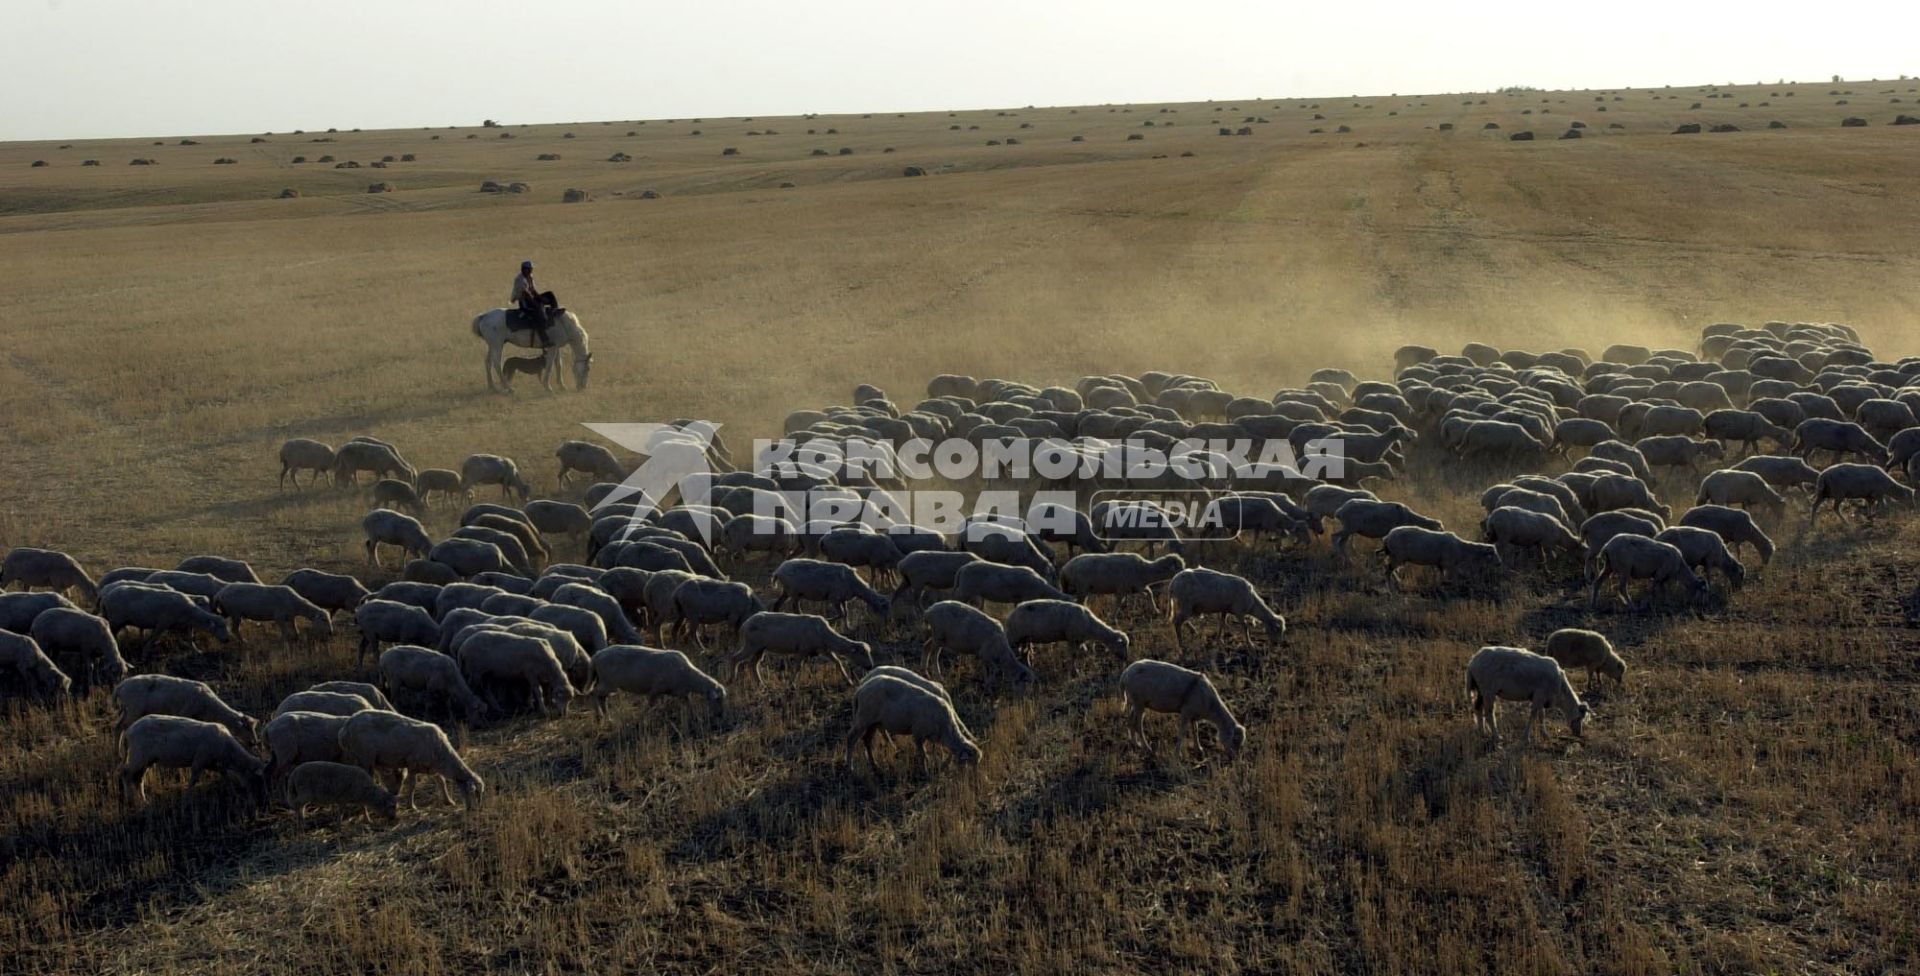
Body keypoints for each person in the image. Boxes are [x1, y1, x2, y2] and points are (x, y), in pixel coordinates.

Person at [511, 260, 552, 346]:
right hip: (524, 301)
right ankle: (544, 339)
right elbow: (526, 294)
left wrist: (541, 298)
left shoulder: (529, 277)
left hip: (530, 298)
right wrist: (536, 304)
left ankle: (554, 311)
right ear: (524, 269)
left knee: (549, 295)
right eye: (529, 269)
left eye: (531, 269)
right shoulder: (520, 279)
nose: (531, 271)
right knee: (538, 314)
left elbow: (533, 290)